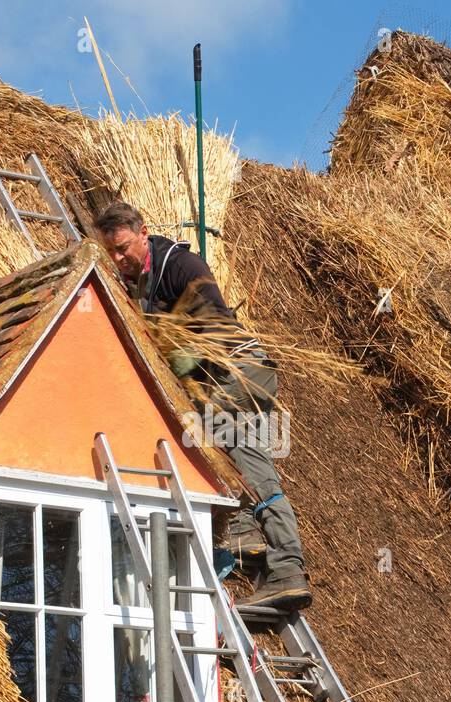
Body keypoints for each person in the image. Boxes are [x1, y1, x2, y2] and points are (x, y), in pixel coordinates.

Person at [95, 201, 311, 612]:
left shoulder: (181, 265)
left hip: (242, 369)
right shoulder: (135, 285)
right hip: (219, 383)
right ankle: (263, 551)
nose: (119, 259)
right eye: (112, 253)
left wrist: (180, 354)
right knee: (245, 455)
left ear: (143, 232)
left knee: (210, 435)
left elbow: (216, 321)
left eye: (124, 248)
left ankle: (269, 551)